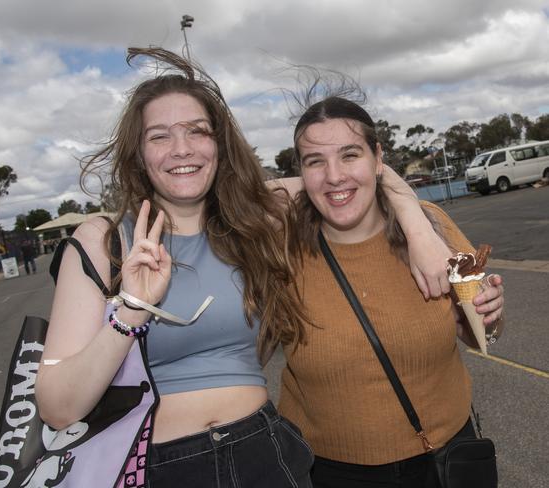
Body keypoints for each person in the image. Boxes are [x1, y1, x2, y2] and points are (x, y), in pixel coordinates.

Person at [34, 48, 454, 488]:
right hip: (157, 466)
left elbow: (348, 174)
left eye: (197, 131)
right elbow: (59, 408)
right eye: (159, 136)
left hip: (263, 452)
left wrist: (419, 231)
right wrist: (133, 309)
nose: (182, 149)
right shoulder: (104, 240)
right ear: (139, 154)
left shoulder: (256, 218)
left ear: (219, 144)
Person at [278, 96, 505, 488]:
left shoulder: (435, 228)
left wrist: (492, 314)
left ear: (377, 157)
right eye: (315, 161)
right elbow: (228, 194)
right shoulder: (281, 245)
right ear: (300, 170)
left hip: (446, 460)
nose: (334, 175)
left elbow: (481, 334)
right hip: (332, 472)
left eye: (350, 155)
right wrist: (402, 196)